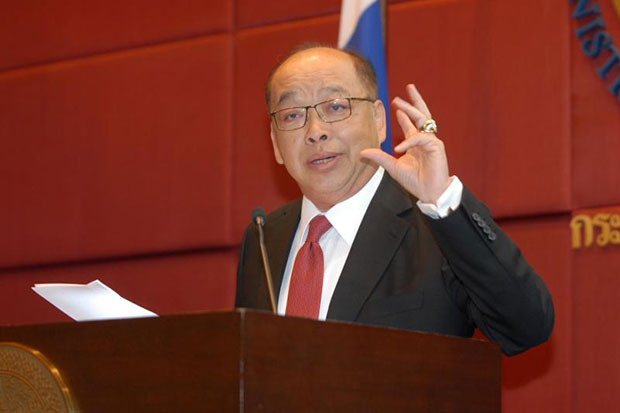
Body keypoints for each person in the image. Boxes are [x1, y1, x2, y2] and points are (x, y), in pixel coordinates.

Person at [235, 44, 554, 355]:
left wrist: (441, 201)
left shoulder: (435, 228)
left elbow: (526, 328)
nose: (315, 132)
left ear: (378, 120)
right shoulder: (264, 237)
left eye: (335, 106)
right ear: (276, 143)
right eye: (292, 115)